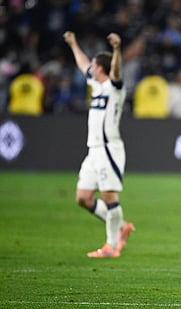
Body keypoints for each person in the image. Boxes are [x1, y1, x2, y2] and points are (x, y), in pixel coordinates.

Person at [63, 31, 134, 258]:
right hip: (93, 150)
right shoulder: (96, 85)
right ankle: (121, 225)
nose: (90, 68)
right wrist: (74, 43)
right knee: (83, 197)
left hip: (108, 148)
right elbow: (83, 64)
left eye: (94, 65)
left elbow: (116, 71)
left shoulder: (115, 87)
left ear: (101, 67)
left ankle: (111, 247)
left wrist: (116, 50)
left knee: (108, 196)